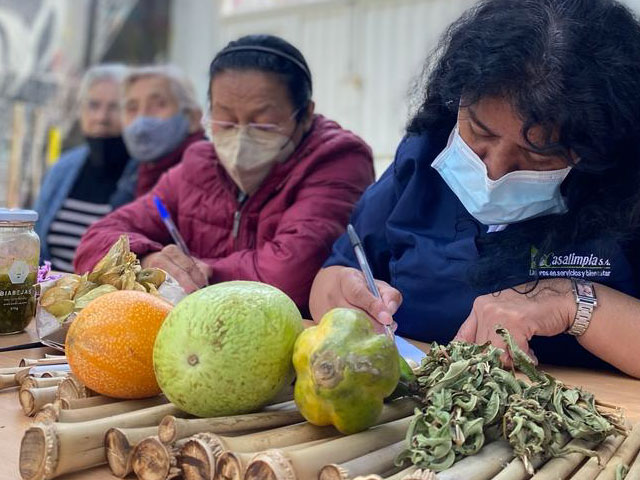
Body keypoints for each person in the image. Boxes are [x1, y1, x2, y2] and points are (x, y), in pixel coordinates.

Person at [309, 0, 640, 378]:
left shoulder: (625, 193)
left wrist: (571, 303)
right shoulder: (426, 155)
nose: (494, 169)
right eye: (480, 132)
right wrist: (337, 293)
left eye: (537, 154)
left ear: (595, 147)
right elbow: (342, 270)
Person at [74, 35, 375, 313]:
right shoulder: (198, 166)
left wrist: (196, 272)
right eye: (226, 121)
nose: (241, 137)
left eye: (262, 123)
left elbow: (288, 275)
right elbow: (96, 239)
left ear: (306, 115)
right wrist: (148, 261)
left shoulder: (338, 160)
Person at [34, 64, 134, 272]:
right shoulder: (63, 168)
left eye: (114, 107)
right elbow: (36, 241)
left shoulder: (141, 172)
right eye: (93, 105)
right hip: (52, 297)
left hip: (111, 302)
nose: (102, 117)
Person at [119, 65, 205, 198]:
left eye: (159, 105)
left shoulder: (207, 174)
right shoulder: (134, 170)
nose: (142, 118)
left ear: (192, 118)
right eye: (132, 108)